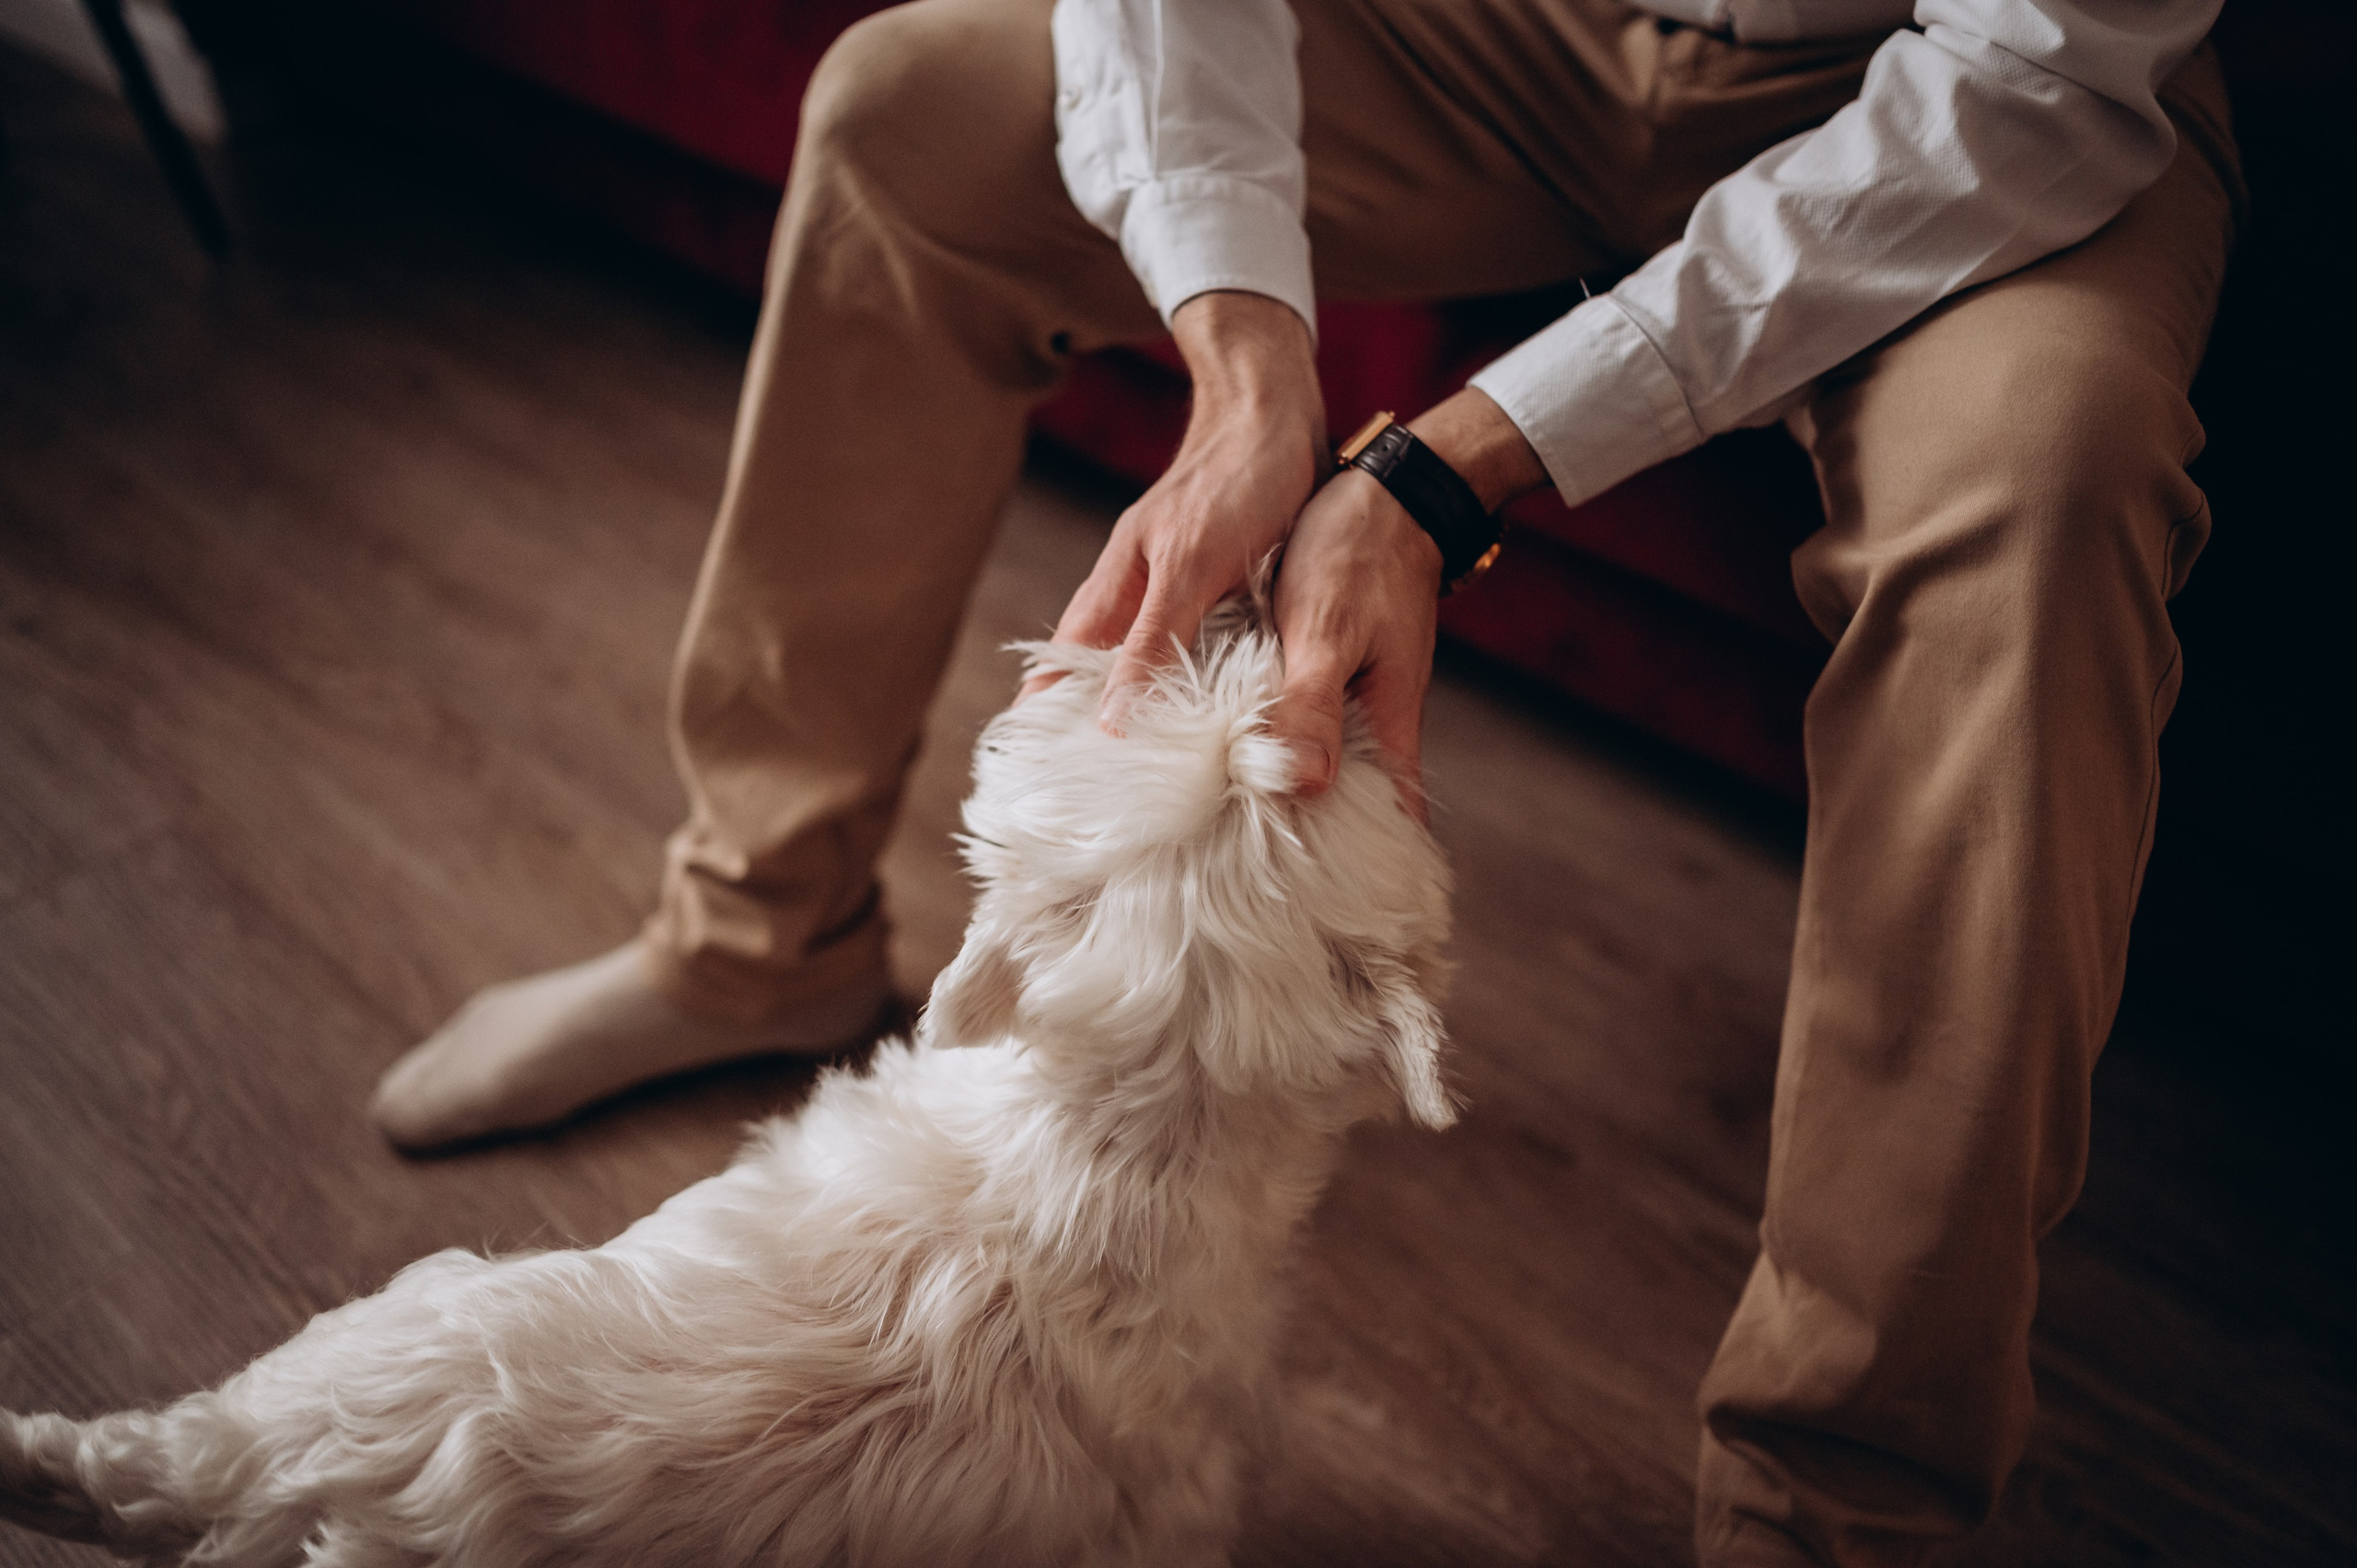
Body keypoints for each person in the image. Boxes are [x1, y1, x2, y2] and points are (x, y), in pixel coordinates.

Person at [367, 0, 2241, 1559]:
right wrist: (1244, 363)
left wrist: (1441, 469)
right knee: (907, 113)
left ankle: (1831, 1502)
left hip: (1971, 91)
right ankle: (754, 923)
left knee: (2045, 473)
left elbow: (2037, 88)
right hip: (1516, 31)